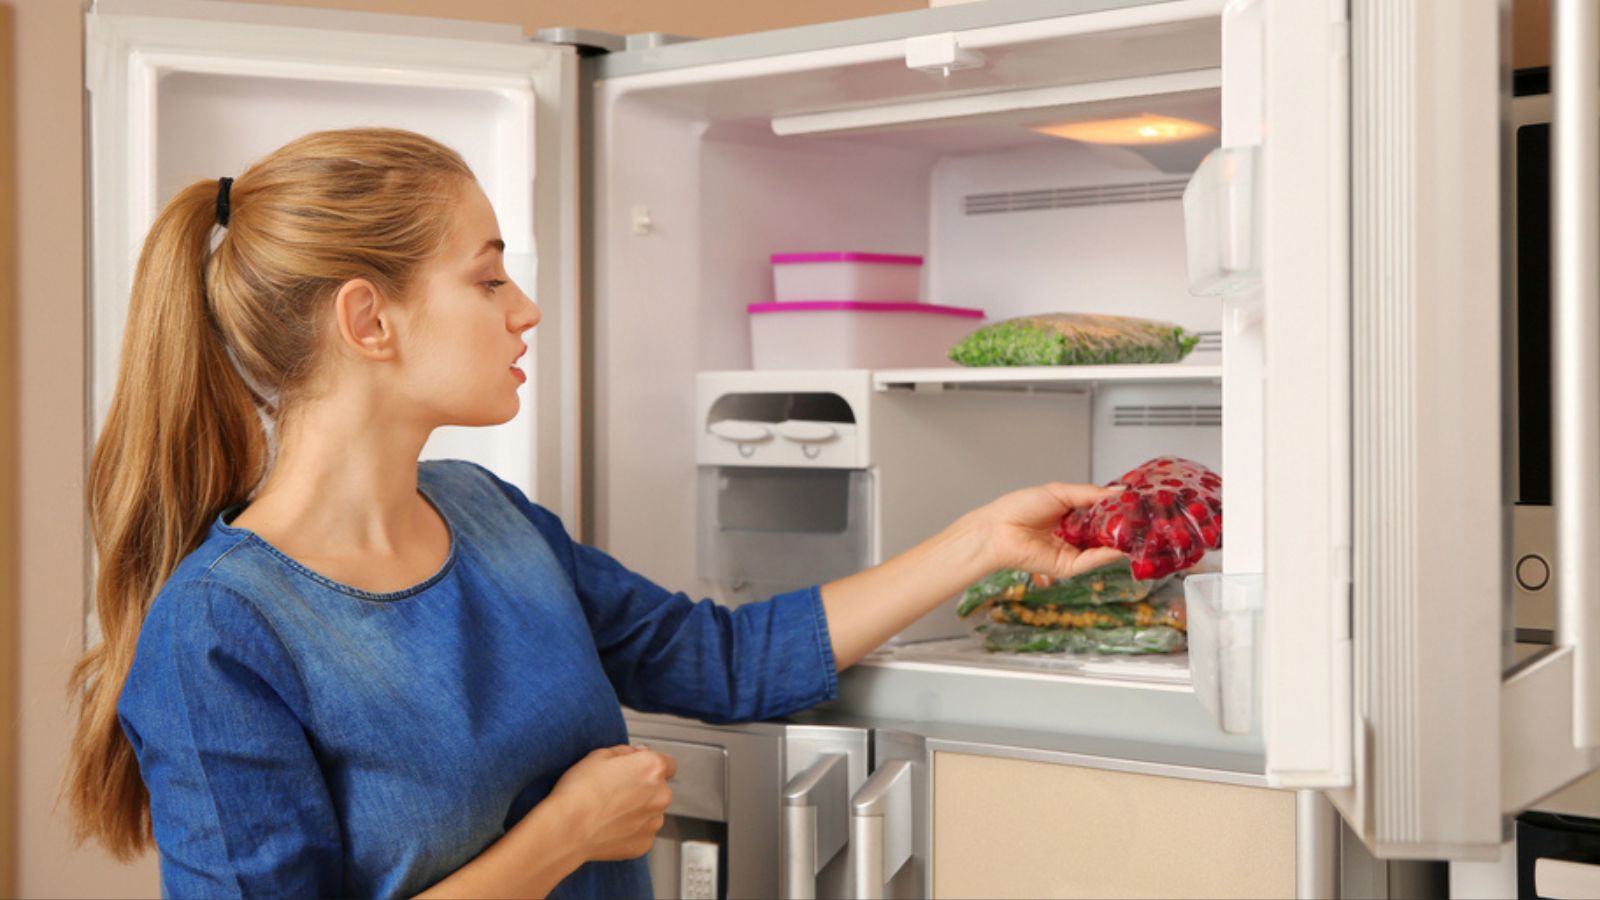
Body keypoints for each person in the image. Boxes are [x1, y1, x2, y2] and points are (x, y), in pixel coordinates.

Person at [64, 128, 1123, 899]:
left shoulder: (487, 517)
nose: (523, 308)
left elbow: (722, 661)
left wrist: (981, 542)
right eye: (487, 281)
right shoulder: (220, 629)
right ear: (367, 319)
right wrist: (562, 838)